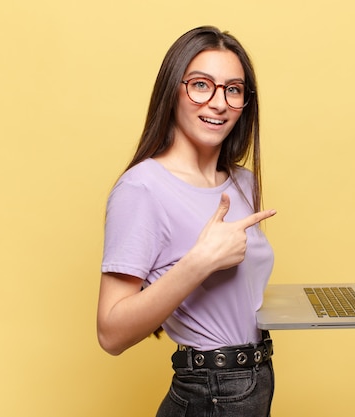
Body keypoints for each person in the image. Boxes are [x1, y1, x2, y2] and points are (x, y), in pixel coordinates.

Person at [97, 26, 277, 416]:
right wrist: (200, 262)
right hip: (210, 391)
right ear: (172, 91)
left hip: (254, 381)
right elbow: (110, 334)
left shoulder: (242, 183)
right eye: (201, 85)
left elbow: (234, 299)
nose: (219, 103)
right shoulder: (142, 189)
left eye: (233, 89)